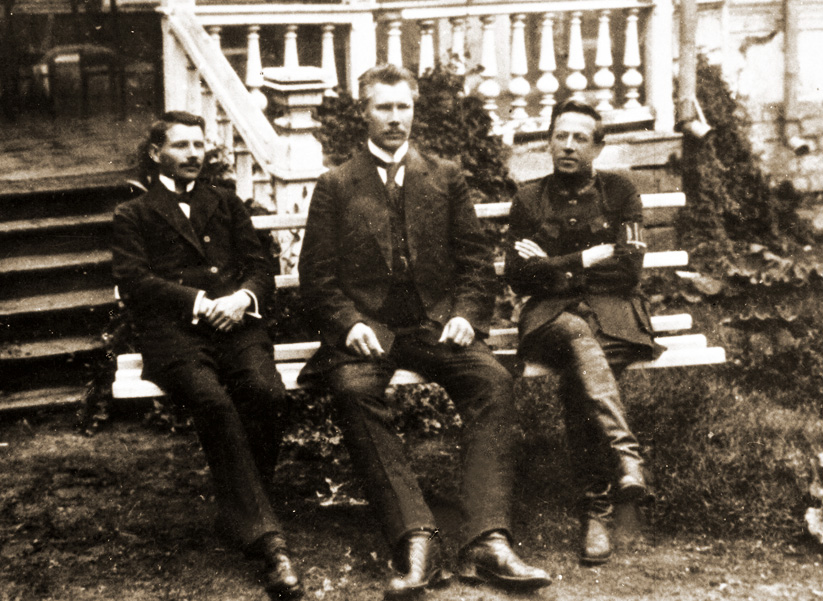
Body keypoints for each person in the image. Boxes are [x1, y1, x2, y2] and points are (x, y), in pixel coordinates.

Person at [298, 64, 551, 597]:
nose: (396, 118)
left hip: (436, 324)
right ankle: (418, 539)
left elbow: (475, 262)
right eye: (384, 107)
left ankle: (487, 541)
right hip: (370, 332)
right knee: (353, 390)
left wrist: (465, 314)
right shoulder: (337, 184)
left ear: (414, 110)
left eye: (403, 106)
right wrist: (349, 324)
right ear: (364, 112)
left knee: (492, 381)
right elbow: (317, 278)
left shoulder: (444, 175)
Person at [111, 111, 303, 600]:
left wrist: (242, 298)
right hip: (175, 336)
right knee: (214, 403)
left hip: (237, 326)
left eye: (199, 145)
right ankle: (271, 543)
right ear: (156, 153)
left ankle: (240, 513)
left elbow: (260, 265)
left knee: (266, 393)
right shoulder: (134, 213)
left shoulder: (226, 202)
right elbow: (134, 281)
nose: (194, 154)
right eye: (181, 145)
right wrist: (198, 302)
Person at [504, 99, 659, 566]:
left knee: (579, 375)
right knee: (574, 332)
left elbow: (629, 270)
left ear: (598, 147)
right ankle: (626, 458)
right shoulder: (529, 198)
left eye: (580, 138)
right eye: (560, 136)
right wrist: (585, 259)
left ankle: (596, 511)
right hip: (550, 319)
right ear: (549, 141)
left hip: (613, 317)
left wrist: (550, 264)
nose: (568, 146)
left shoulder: (621, 191)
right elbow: (518, 276)